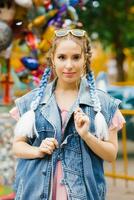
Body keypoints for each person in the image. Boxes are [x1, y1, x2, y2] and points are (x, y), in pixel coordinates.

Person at [10, 29, 125, 200]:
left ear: (85, 59)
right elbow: (17, 147)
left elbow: (111, 154)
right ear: (53, 60)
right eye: (62, 57)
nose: (69, 65)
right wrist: (38, 150)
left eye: (76, 57)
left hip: (83, 194)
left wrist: (87, 136)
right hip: (35, 191)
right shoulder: (30, 102)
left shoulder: (103, 104)